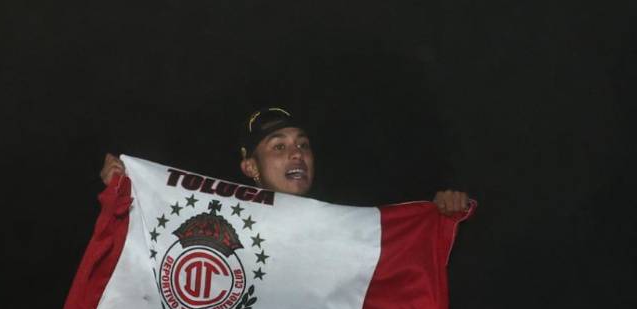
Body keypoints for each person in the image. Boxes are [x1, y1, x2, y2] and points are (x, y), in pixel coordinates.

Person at [99, 106, 474, 218]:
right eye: (278, 147)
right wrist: (124, 192)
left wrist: (440, 216)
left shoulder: (346, 226)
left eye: (303, 145)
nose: (296, 153)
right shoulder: (223, 223)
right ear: (251, 168)